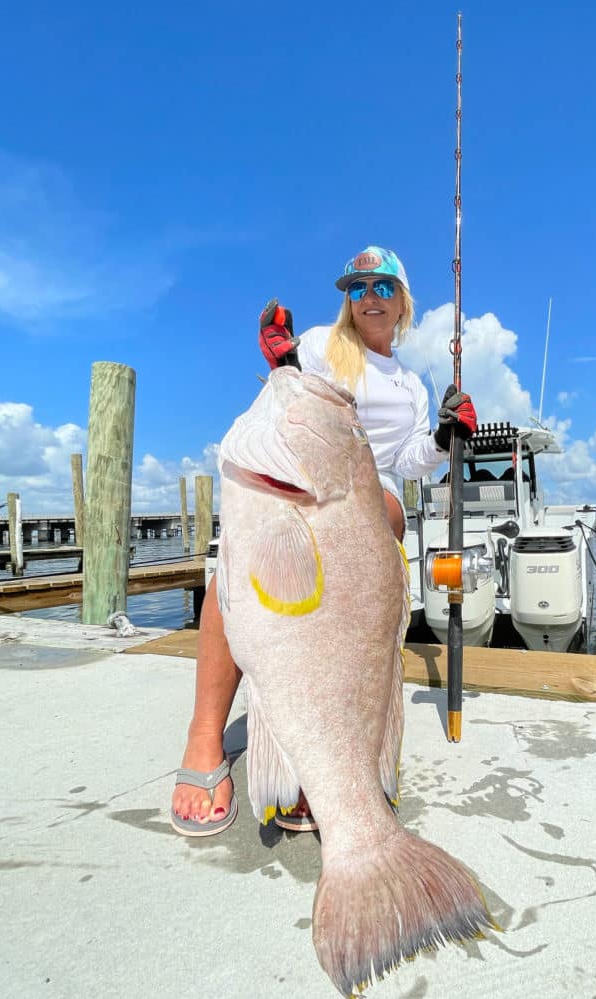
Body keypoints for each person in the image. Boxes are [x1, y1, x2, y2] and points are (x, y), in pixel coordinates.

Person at [171, 245, 477, 836]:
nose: (369, 298)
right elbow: (282, 407)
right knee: (229, 578)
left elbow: (411, 462)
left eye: (383, 288)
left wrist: (442, 436)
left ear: (403, 302)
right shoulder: (317, 344)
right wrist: (285, 365)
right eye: (357, 288)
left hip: (371, 491)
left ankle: (333, 755)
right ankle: (204, 739)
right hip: (297, 482)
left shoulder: (411, 384)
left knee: (385, 510)